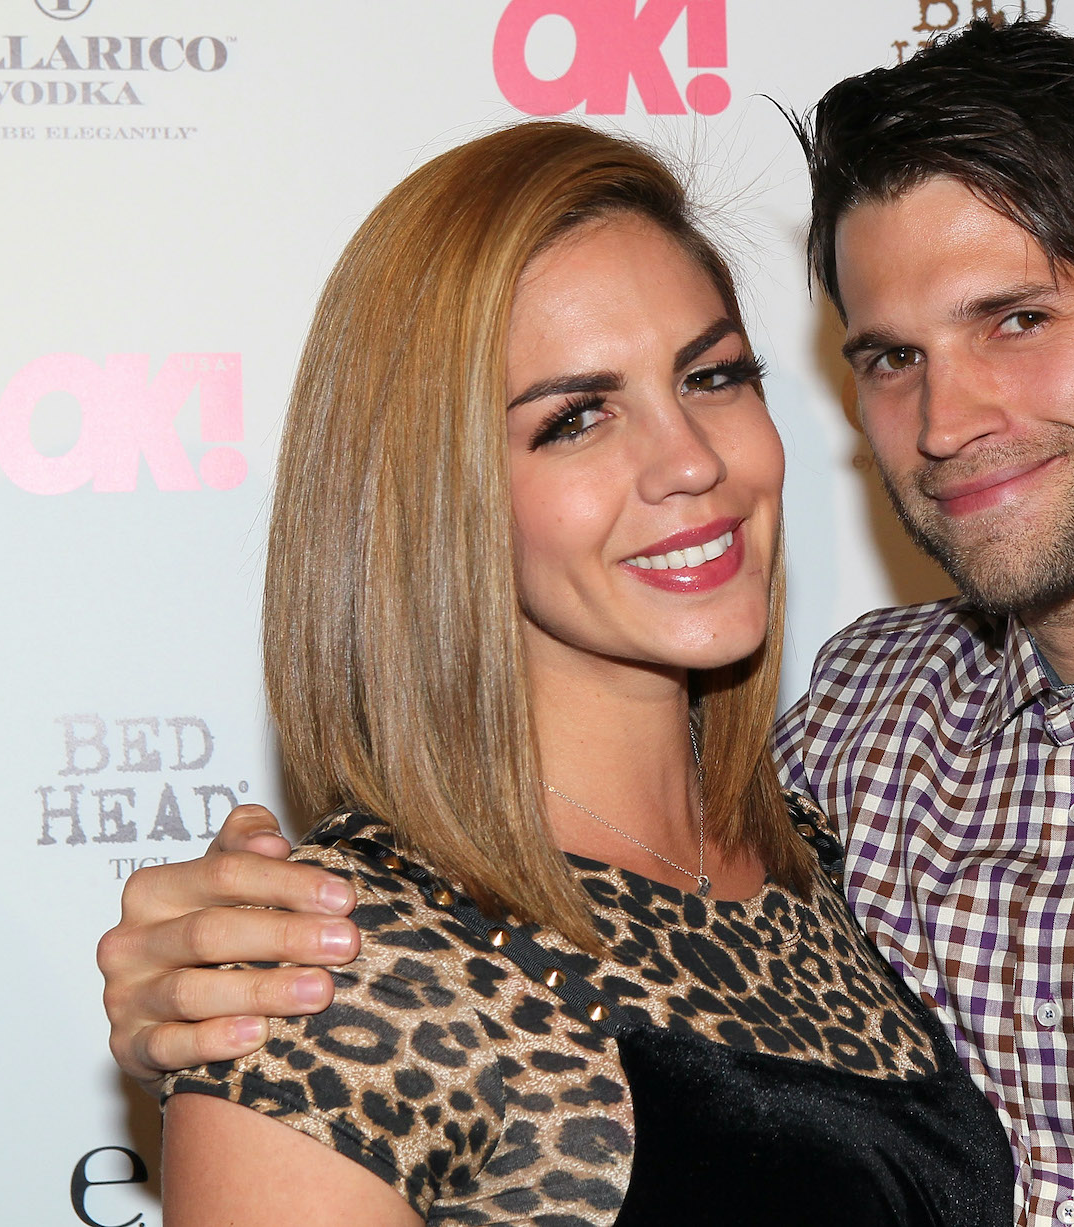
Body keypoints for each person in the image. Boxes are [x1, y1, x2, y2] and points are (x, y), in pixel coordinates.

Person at [98, 20, 1074, 1226]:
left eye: (1017, 319)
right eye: (888, 356)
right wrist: (210, 986)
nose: (948, 418)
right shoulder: (869, 727)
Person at [142, 119, 1013, 1227]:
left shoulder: (827, 862)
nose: (691, 459)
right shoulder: (339, 971)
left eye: (712, 376)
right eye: (577, 419)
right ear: (434, 496)